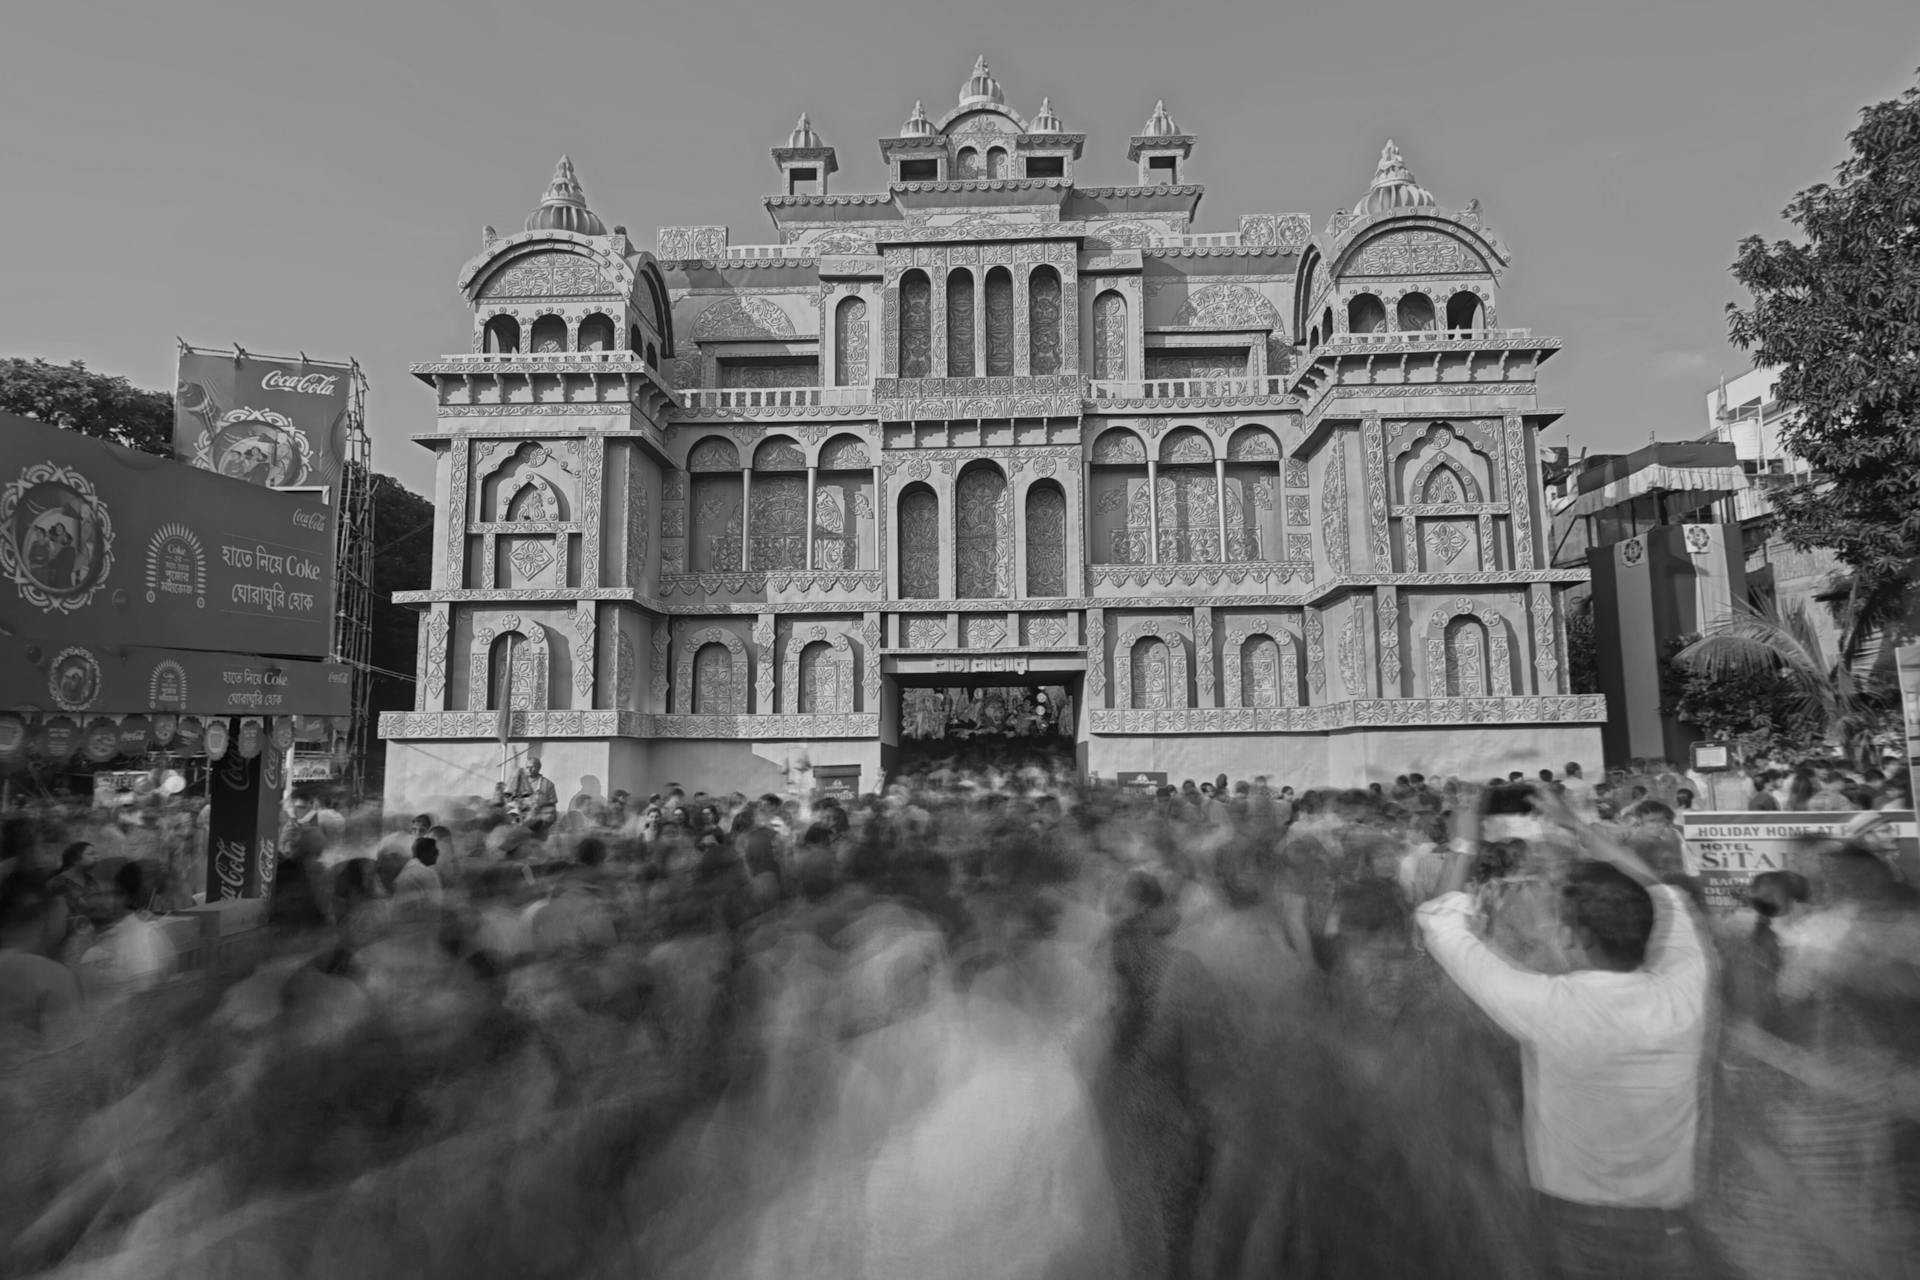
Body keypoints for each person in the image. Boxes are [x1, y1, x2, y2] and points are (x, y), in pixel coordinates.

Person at [1416, 789, 1711, 1278]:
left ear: (1575, 937)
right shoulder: (1684, 996)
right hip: (1669, 1221)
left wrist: (1465, 840)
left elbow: (1442, 928)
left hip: (1574, 1221)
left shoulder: (1548, 1007)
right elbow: (1661, 893)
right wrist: (1574, 824)